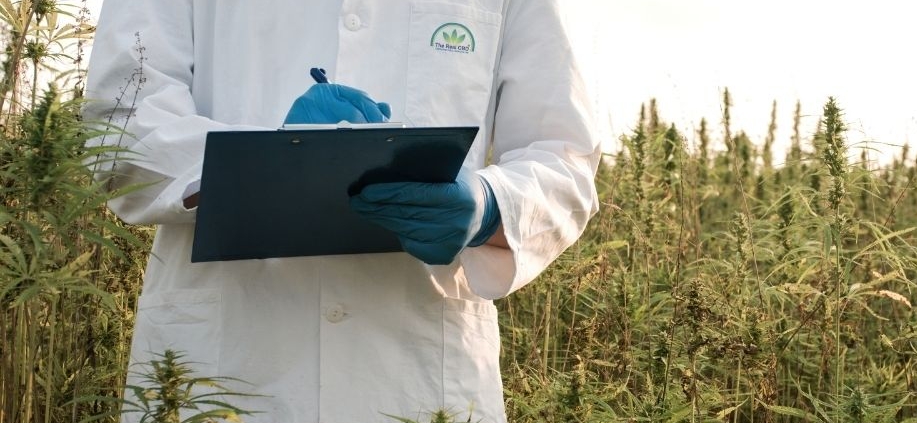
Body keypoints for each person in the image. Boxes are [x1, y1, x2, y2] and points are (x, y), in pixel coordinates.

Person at [84, 1, 600, 422]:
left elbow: (564, 158)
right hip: (224, 363)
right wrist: (257, 161)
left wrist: (490, 207)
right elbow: (119, 123)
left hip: (418, 370)